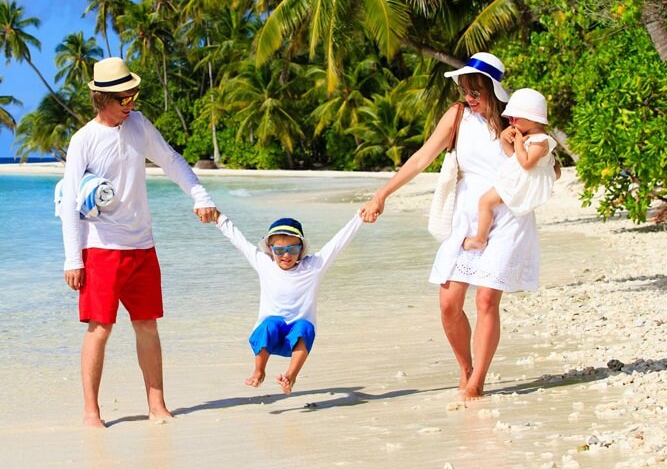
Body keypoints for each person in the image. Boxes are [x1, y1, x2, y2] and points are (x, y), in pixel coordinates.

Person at [359, 52, 541, 400]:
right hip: (467, 214)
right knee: (448, 304)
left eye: (476, 92)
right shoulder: (457, 115)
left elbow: (545, 157)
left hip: (508, 213)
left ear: (492, 89)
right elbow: (421, 158)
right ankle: (466, 367)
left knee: (486, 298)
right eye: (464, 90)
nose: (469, 98)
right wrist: (382, 194)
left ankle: (476, 383)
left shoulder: (514, 119)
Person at [60, 57, 218, 428]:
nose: (130, 103)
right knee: (100, 329)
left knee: (147, 325)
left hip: (142, 246)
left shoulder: (139, 125)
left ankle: (157, 405)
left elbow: (171, 161)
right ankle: (91, 412)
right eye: (124, 98)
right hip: (100, 248)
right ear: (102, 99)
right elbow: (69, 202)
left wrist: (200, 195)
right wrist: (73, 259)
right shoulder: (83, 140)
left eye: (134, 95)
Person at [215, 213, 364, 394]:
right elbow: (238, 240)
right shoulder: (264, 264)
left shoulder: (313, 266)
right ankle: (259, 371)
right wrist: (217, 217)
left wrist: (361, 216)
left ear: (301, 250)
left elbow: (339, 242)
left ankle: (290, 377)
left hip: (297, 341)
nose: (286, 255)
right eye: (279, 250)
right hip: (269, 339)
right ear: (270, 249)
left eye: (292, 250)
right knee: (270, 324)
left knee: (304, 326)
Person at [462, 88, 557, 251]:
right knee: (485, 201)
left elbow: (526, 163)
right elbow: (513, 158)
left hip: (521, 183)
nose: (511, 123)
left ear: (532, 118)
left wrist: (518, 142)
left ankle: (480, 238)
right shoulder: (531, 138)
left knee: (485, 201)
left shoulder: (540, 141)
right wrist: (504, 140)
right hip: (518, 178)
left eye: (514, 118)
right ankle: (483, 236)